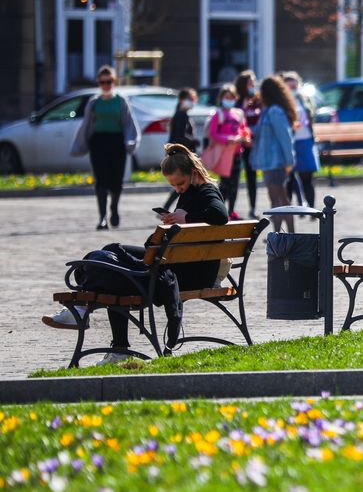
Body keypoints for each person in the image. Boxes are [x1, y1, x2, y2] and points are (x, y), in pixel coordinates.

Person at [41, 144, 229, 364]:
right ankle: (84, 313)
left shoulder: (206, 191)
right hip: (178, 264)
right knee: (110, 250)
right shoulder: (191, 192)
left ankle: (88, 317)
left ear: (194, 173)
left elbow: (220, 215)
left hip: (183, 274)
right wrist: (175, 220)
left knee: (113, 272)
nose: (177, 189)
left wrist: (185, 218)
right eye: (173, 185)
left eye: (180, 183)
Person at [70, 66, 140, 230]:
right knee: (101, 180)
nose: (106, 85)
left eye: (109, 81)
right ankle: (102, 218)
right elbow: (86, 125)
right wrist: (81, 144)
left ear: (114, 82)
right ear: (99, 83)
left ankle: (114, 208)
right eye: (102, 82)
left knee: (116, 179)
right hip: (99, 143)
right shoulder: (94, 102)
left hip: (116, 143)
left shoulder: (121, 101)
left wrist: (130, 141)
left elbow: (128, 123)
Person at [250, 75, 297, 233]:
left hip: (276, 162)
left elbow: (285, 137)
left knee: (279, 200)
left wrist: (289, 161)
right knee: (277, 200)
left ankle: (286, 235)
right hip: (268, 162)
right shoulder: (268, 110)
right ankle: (282, 234)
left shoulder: (275, 111)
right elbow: (260, 131)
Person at [207, 84, 251, 217]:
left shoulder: (239, 113)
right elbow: (213, 133)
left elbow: (244, 129)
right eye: (226, 97)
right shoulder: (218, 114)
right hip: (224, 153)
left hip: (237, 152)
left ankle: (231, 211)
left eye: (232, 97)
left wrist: (245, 138)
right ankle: (220, 209)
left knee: (235, 184)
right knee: (224, 184)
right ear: (221, 98)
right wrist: (228, 139)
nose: (229, 100)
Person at [282, 71, 320, 209]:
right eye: (289, 87)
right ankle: (290, 210)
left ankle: (311, 208)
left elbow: (312, 116)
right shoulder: (282, 102)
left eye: (294, 86)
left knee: (307, 178)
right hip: (290, 142)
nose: (293, 89)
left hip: (306, 140)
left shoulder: (304, 99)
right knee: (290, 179)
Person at [235, 70, 262, 218]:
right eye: (250, 82)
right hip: (239, 144)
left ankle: (252, 208)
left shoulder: (257, 101)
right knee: (234, 177)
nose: (253, 85)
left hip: (254, 144)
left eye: (254, 82)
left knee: (252, 177)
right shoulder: (237, 102)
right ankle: (229, 207)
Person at [168, 88, 199, 152]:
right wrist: (193, 142)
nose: (192, 102)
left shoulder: (182, 114)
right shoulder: (181, 115)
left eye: (192, 100)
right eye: (189, 99)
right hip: (179, 153)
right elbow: (179, 136)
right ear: (181, 100)